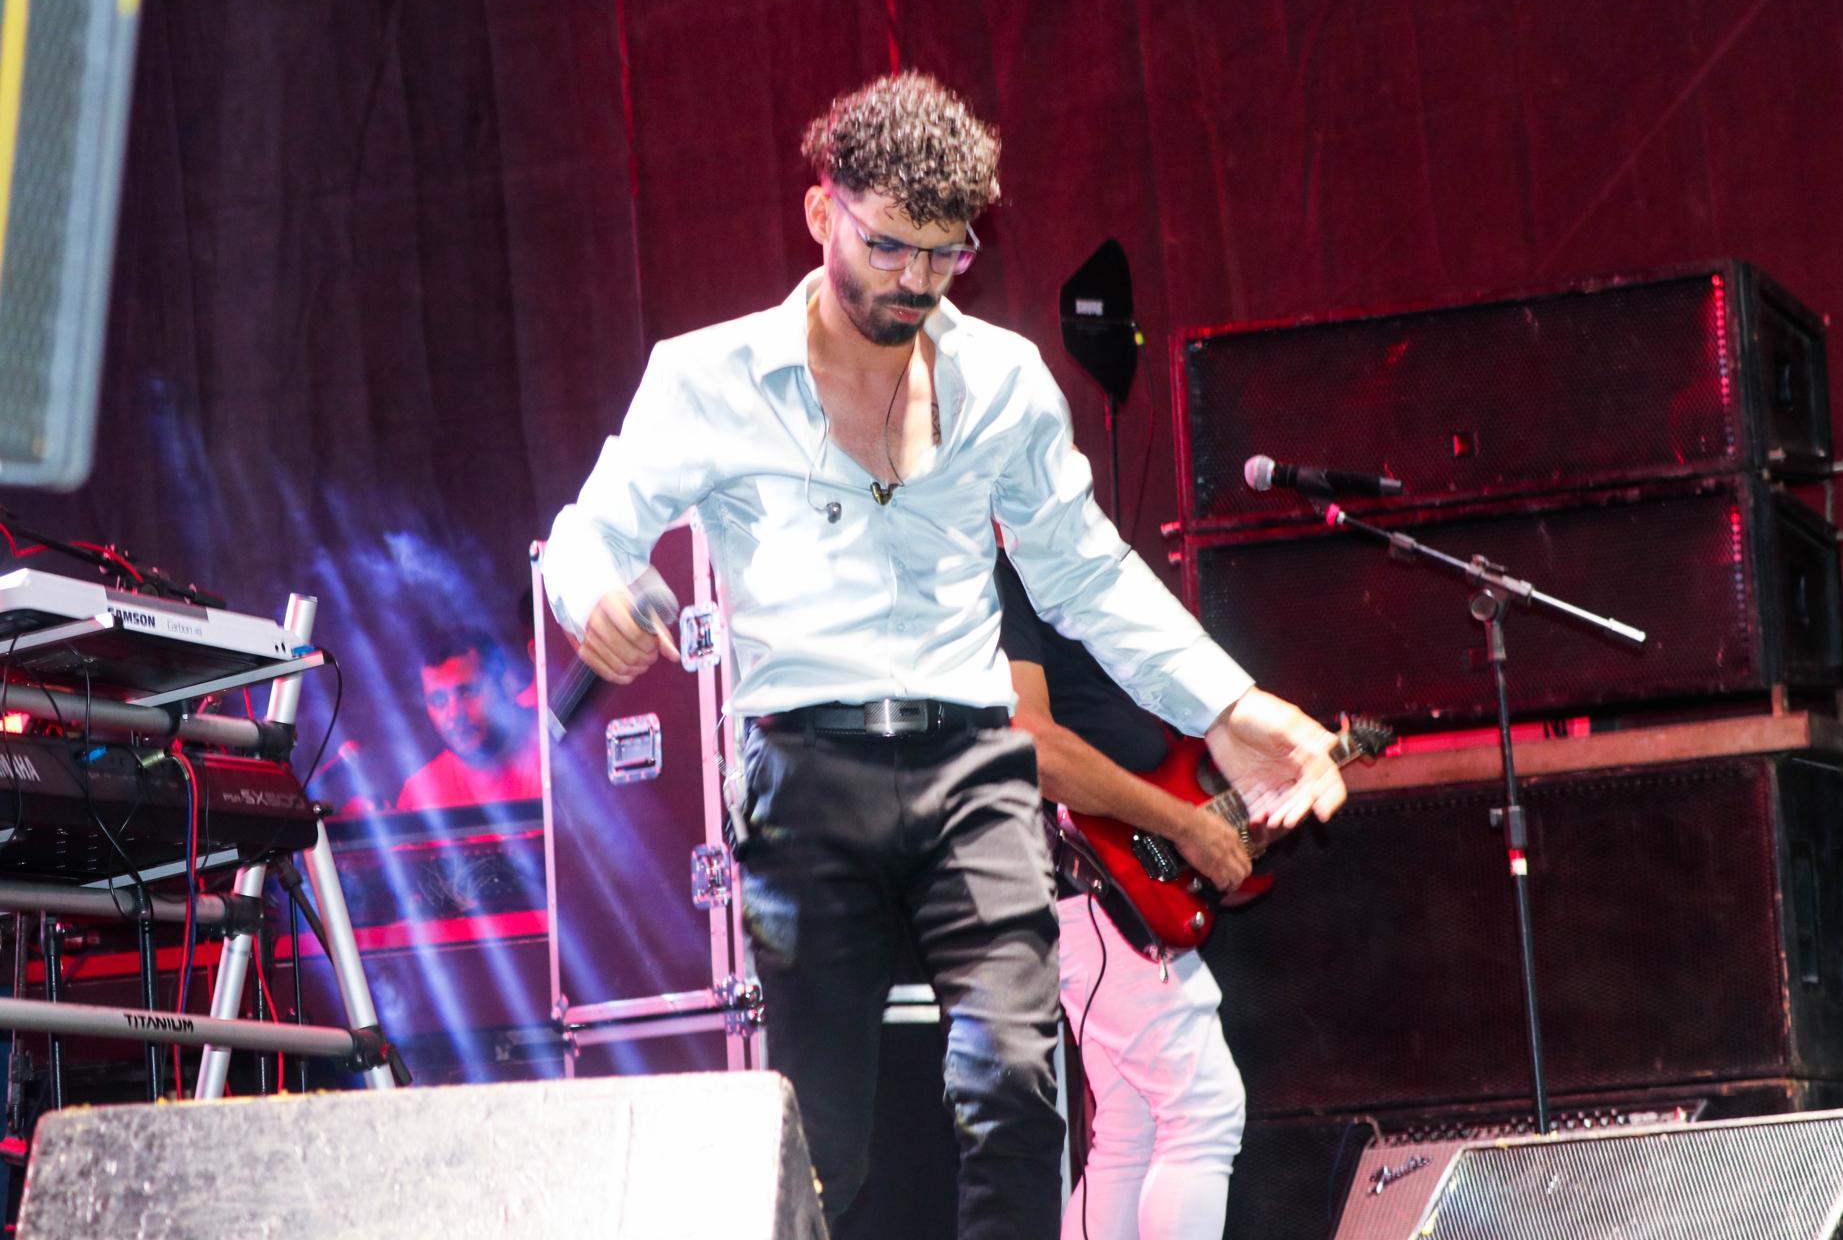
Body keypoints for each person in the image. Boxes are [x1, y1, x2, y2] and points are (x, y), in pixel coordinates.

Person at [540, 71, 1345, 1239]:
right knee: (825, 1133)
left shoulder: (1005, 380)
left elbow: (1085, 569)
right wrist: (594, 592)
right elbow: (590, 529)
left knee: (1016, 1084)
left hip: (974, 765)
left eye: (945, 253)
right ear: (821, 213)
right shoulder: (707, 375)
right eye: (888, 246)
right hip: (805, 772)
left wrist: (1229, 703)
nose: (915, 280)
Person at [998, 549, 1256, 1240]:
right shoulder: (997, 572)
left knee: (1132, 1125)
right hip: (1089, 880)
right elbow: (1032, 744)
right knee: (1202, 1111)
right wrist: (1183, 826)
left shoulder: (1055, 573)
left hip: (1101, 883)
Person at [395, 629, 541, 812]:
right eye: (439, 700)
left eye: (468, 692)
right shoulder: (420, 796)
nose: (455, 714)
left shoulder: (550, 752)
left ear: (504, 685)